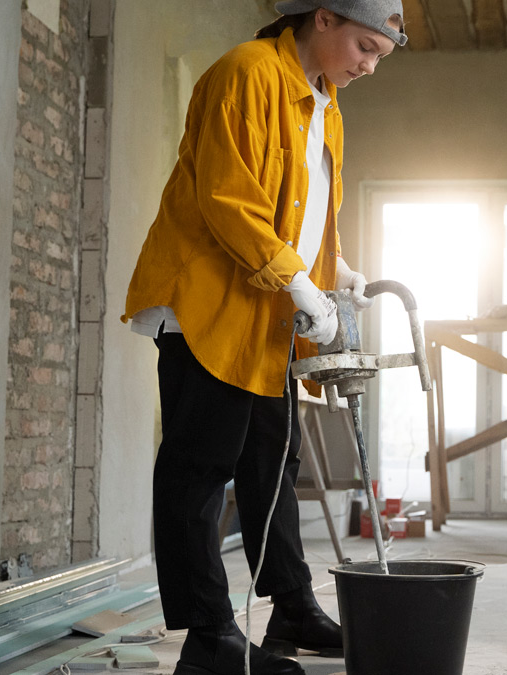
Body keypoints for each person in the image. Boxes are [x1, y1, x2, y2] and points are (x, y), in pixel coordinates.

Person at [120, 2, 406, 674]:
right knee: (201, 466)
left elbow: (310, 212)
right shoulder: (245, 73)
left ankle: (292, 604)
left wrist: (335, 275)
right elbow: (227, 195)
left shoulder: (326, 104)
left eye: (379, 57)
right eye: (365, 46)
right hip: (210, 305)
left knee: (273, 461)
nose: (368, 65)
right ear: (326, 19)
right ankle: (210, 639)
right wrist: (298, 284)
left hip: (268, 311)